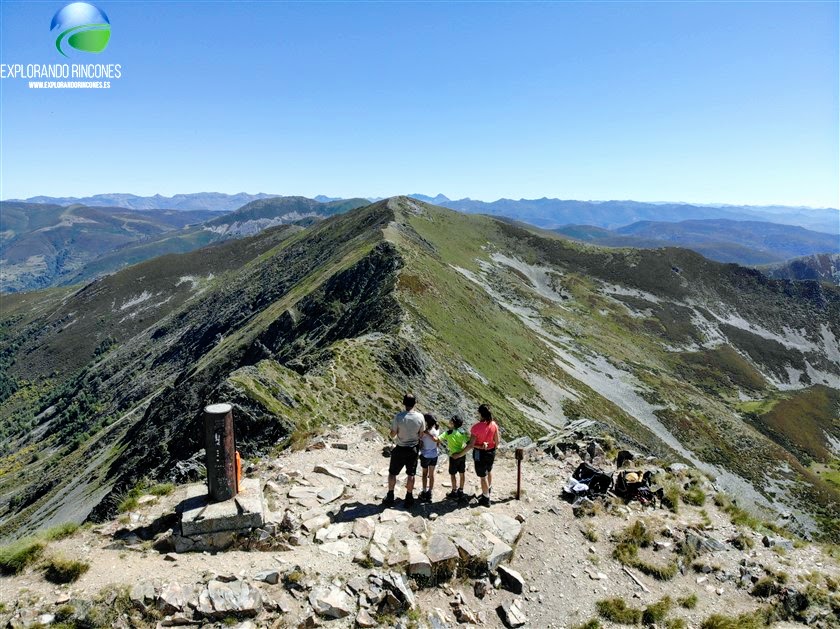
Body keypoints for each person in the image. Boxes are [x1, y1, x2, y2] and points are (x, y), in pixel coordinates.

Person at [452, 403, 499, 507]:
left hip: (480, 454)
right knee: (489, 470)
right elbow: (497, 442)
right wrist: (487, 446)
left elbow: (470, 445)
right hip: (491, 452)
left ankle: (486, 499)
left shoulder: (476, 428)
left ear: (480, 413)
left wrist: (459, 455)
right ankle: (488, 490)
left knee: (483, 476)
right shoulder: (494, 425)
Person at [384, 394, 424, 508]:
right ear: (415, 403)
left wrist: (391, 432)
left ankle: (390, 495)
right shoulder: (420, 417)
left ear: (404, 403)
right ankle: (409, 497)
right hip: (413, 449)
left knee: (393, 473)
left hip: (400, 448)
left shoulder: (398, 417)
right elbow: (421, 434)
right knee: (411, 474)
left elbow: (393, 434)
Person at [439, 415, 469, 500]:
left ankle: (454, 491)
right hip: (462, 455)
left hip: (453, 456)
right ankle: (461, 490)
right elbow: (468, 442)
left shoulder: (448, 433)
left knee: (453, 474)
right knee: (462, 473)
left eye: (450, 420)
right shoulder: (462, 433)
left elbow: (438, 439)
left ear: (453, 423)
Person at [418, 413, 440, 502]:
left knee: (424, 474)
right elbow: (438, 442)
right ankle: (430, 492)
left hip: (425, 455)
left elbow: (421, 444)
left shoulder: (424, 432)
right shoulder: (437, 430)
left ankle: (424, 491)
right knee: (431, 474)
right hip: (434, 454)